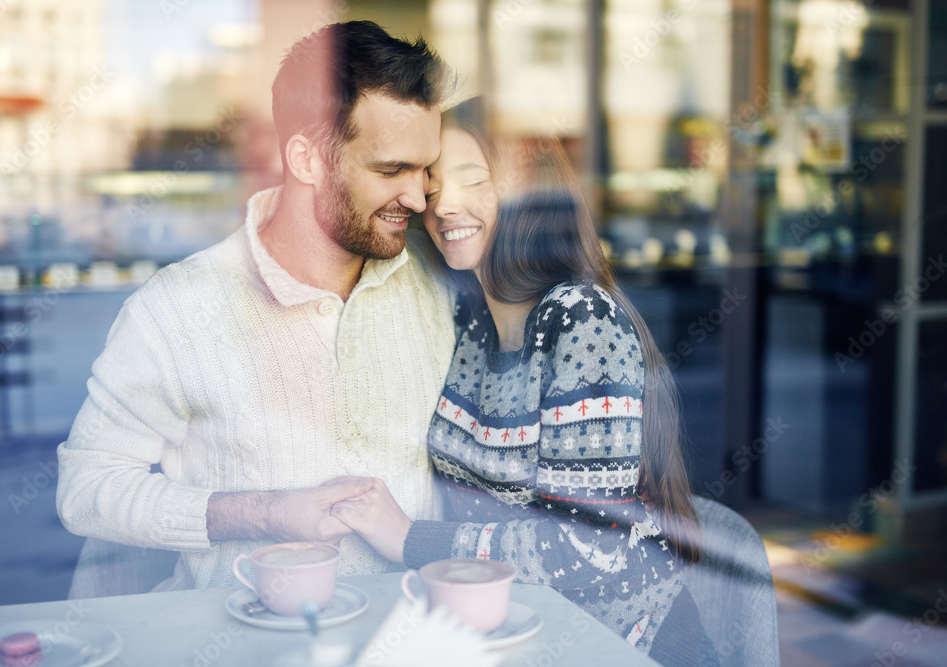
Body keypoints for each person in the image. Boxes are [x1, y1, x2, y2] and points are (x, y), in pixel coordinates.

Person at [56, 21, 458, 589]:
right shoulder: (176, 309)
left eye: (426, 171)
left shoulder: (436, 285)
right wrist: (262, 513)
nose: (417, 198)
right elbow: (86, 489)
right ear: (306, 159)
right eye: (391, 170)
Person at [331, 100, 713, 664]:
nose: (445, 205)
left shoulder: (581, 319)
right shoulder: (472, 327)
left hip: (627, 646)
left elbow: (587, 546)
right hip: (517, 639)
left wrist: (409, 539)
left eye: (475, 179)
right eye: (432, 189)